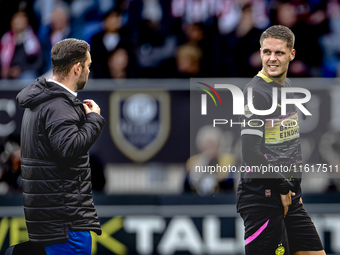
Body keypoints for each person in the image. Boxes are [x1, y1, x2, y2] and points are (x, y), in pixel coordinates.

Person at [237, 25, 325, 255]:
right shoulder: (256, 92)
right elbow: (251, 154)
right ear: (260, 53)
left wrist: (295, 189)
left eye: (279, 53)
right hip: (262, 197)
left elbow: (288, 146)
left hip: (289, 196)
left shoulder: (287, 87)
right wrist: (283, 186)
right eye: (267, 52)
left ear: (292, 54)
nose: (272, 58)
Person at [16, 38, 105, 255]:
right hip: (67, 227)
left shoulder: (40, 101)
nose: (88, 71)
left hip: (51, 224)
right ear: (77, 68)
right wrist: (94, 119)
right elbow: (69, 149)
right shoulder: (58, 105)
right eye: (88, 66)